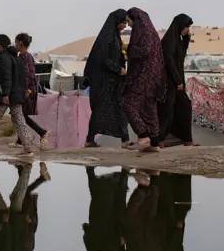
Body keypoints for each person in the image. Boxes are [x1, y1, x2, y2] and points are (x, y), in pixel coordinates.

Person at [83, 9, 136, 149]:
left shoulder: (115, 35)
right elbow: (102, 59)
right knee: (99, 111)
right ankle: (89, 140)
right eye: (123, 22)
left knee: (120, 108)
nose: (125, 25)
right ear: (117, 21)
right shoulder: (107, 37)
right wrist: (118, 69)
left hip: (114, 82)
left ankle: (125, 139)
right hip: (104, 82)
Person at [122, 8, 165, 152]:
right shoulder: (151, 31)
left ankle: (143, 136)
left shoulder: (144, 32)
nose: (128, 25)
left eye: (129, 21)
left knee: (128, 103)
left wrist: (128, 48)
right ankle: (154, 142)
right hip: (153, 78)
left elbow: (144, 51)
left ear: (136, 19)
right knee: (149, 108)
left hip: (143, 76)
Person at [159, 14, 197, 146]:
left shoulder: (178, 40)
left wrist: (186, 39)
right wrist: (177, 80)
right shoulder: (168, 41)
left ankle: (186, 139)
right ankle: (160, 139)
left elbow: (181, 57)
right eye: (186, 26)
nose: (188, 29)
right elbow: (169, 62)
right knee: (167, 110)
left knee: (184, 106)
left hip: (177, 80)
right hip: (169, 82)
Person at [9, 33, 50, 150]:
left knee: (21, 115)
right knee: (21, 115)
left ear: (20, 43)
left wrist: (25, 91)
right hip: (29, 89)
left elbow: (25, 75)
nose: (15, 44)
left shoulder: (22, 57)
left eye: (16, 42)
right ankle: (20, 140)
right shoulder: (29, 56)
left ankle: (42, 132)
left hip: (26, 90)